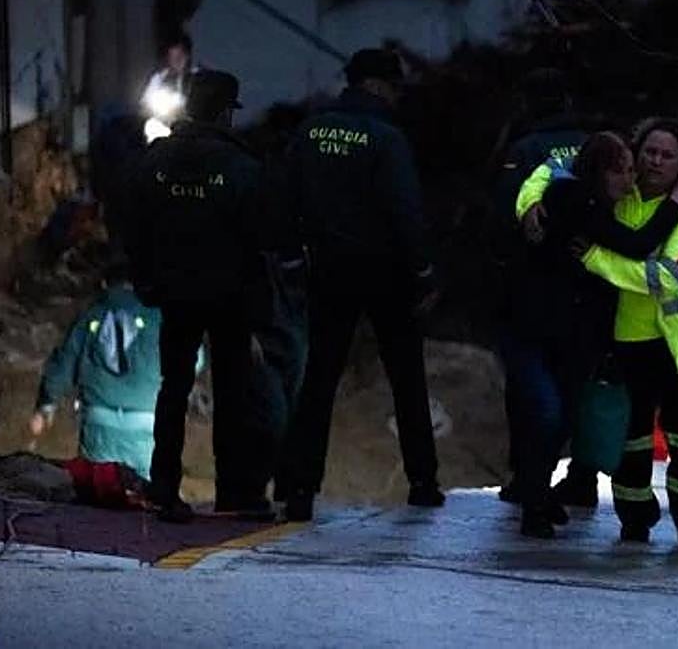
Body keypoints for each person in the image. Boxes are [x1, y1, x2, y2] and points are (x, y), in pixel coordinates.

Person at [518, 117, 678, 546]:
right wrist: (530, 202)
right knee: (631, 442)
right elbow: (552, 170)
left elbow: (666, 279)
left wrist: (595, 259)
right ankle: (634, 520)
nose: (656, 161)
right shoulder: (619, 197)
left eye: (667, 155)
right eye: (649, 152)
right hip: (627, 344)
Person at [278, 47, 444, 521]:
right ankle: (423, 483)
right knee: (406, 377)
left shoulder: (311, 130)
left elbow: (283, 197)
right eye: (394, 88)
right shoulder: (387, 138)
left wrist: (292, 258)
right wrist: (423, 270)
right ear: (378, 86)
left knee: (319, 378)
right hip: (386, 273)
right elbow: (405, 209)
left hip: (327, 269)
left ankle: (298, 488)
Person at [125, 68, 274, 522]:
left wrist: (146, 279)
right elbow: (261, 238)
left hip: (175, 293)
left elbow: (134, 223)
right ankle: (234, 494)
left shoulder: (156, 160)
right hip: (228, 298)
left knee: (173, 389)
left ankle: (164, 487)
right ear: (226, 113)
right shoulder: (242, 167)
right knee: (232, 395)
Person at [490, 67, 591, 506]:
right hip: (590, 286)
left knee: (531, 390)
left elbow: (503, 219)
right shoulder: (594, 147)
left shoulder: (525, 150)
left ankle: (527, 478)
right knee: (580, 385)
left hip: (532, 290)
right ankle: (582, 476)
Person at [29, 261, 165, 480]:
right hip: (146, 429)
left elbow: (65, 362)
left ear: (105, 284)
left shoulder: (92, 316)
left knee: (97, 499)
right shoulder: (158, 317)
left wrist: (46, 405)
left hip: (99, 428)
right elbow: (194, 360)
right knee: (145, 501)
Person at [140, 30, 195, 143]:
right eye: (173, 58)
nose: (177, 62)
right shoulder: (159, 79)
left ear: (187, 56)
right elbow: (145, 104)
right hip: (164, 125)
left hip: (189, 128)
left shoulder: (196, 78)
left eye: (180, 57)